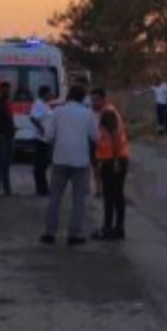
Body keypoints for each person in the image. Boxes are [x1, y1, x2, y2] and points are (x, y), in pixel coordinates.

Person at [41, 85, 99, 246]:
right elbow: (95, 136)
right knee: (78, 200)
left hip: (60, 160)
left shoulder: (57, 112)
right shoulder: (87, 114)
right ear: (82, 98)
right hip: (80, 161)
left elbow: (48, 136)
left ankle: (49, 233)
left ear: (68, 96)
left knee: (55, 198)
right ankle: (74, 234)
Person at [91, 88, 130, 240]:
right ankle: (117, 228)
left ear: (103, 99)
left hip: (113, 159)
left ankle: (108, 228)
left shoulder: (107, 113)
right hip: (117, 158)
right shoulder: (109, 111)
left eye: (96, 100)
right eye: (92, 100)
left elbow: (114, 136)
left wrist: (113, 161)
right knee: (117, 195)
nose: (93, 103)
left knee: (111, 195)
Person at [29, 85, 55, 196]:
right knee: (40, 164)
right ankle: (41, 189)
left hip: (45, 139)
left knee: (44, 164)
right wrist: (42, 129)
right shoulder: (39, 104)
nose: (51, 95)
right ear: (44, 94)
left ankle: (43, 188)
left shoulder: (45, 105)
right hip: (41, 139)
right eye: (50, 93)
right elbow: (33, 117)